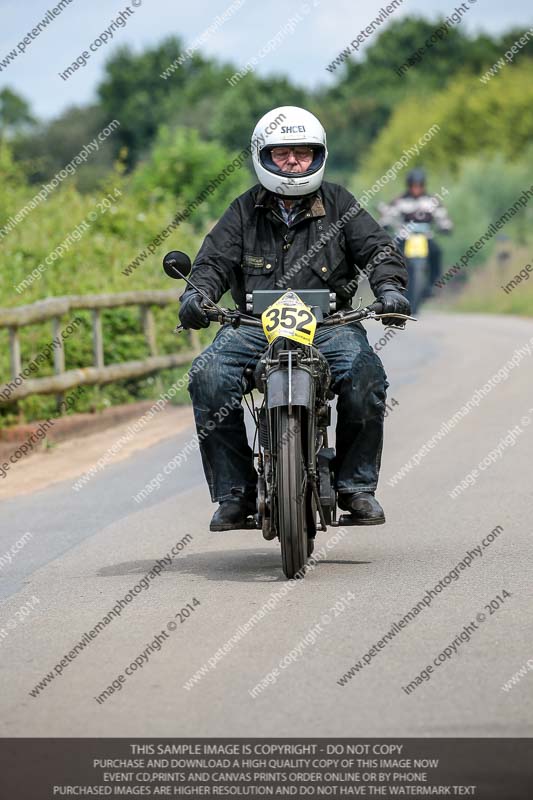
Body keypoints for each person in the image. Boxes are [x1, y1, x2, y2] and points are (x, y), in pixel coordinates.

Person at [178, 106, 410, 532]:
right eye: (282, 153)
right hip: (252, 327)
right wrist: (196, 295)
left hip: (329, 326)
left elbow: (379, 251)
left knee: (366, 375)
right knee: (207, 376)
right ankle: (236, 493)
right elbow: (213, 262)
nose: (292, 162)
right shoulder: (244, 210)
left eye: (302, 153)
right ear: (262, 157)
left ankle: (355, 487)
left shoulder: (341, 203)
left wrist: (390, 289)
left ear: (317, 156)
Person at [378, 168, 453, 286]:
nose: (416, 189)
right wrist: (384, 224)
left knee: (437, 252)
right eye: (414, 186)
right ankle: (390, 283)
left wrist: (446, 226)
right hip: (404, 237)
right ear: (409, 186)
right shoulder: (400, 201)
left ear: (423, 186)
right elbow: (388, 214)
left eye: (419, 186)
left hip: (425, 237)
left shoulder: (431, 201)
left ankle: (433, 283)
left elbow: (442, 215)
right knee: (391, 254)